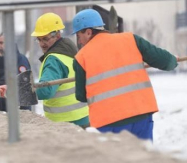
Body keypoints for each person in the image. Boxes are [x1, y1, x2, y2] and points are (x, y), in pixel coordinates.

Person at [72, 8, 178, 140]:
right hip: (141, 114)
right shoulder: (131, 39)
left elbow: (81, 96)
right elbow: (166, 62)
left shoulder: (81, 58)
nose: (79, 41)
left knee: (117, 160)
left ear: (88, 32)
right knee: (145, 157)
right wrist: (174, 60)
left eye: (78, 36)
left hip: (108, 124)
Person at [31, 13, 89, 127]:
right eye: (39, 39)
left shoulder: (54, 59)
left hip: (64, 122)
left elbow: (46, 90)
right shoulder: (69, 50)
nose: (42, 44)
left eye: (45, 39)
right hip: (83, 116)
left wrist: (26, 91)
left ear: (57, 35)